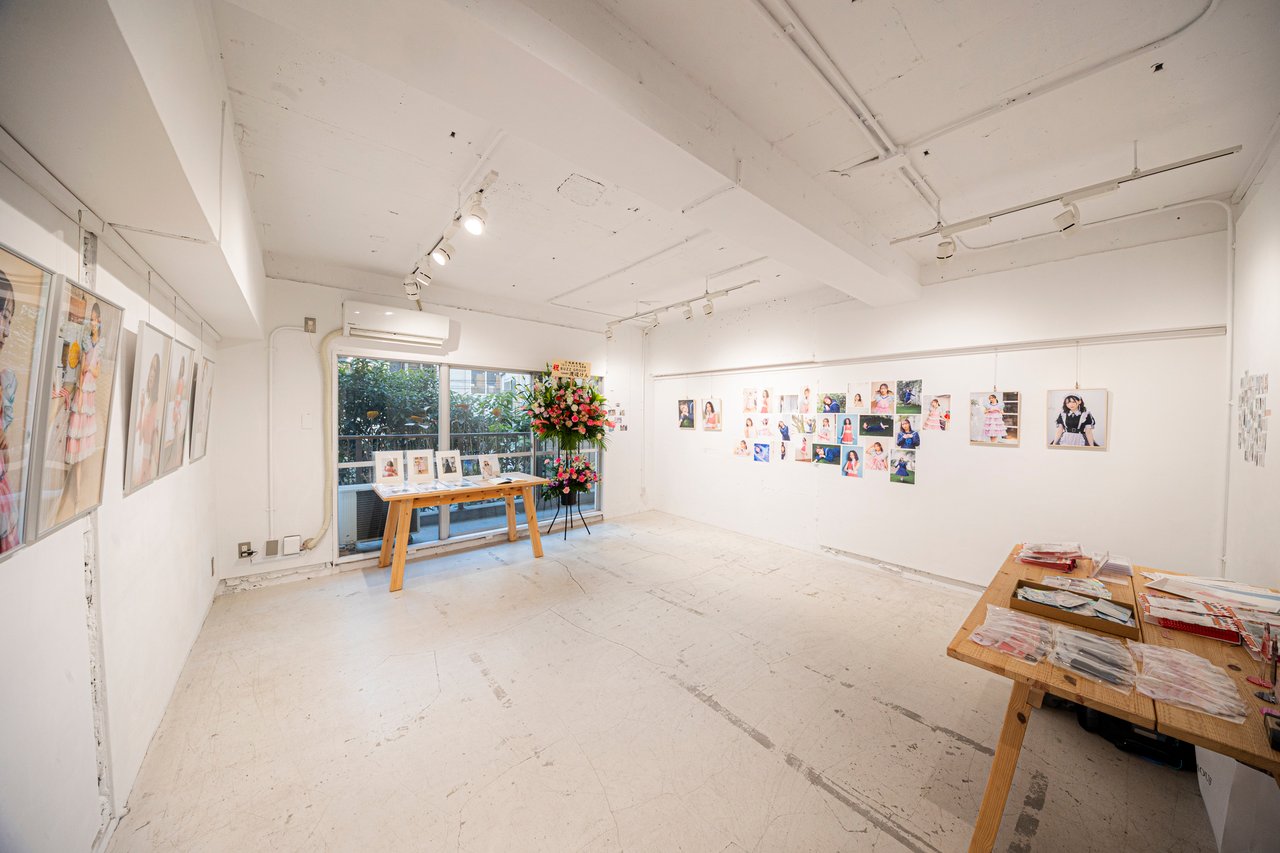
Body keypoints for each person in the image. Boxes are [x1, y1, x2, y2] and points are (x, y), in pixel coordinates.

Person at [61, 302, 104, 512]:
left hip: (90, 396)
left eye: (95, 320)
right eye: (91, 319)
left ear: (99, 321)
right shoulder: (86, 341)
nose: (93, 323)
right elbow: (80, 370)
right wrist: (78, 391)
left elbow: (97, 372)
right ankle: (73, 491)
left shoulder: (100, 344)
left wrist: (90, 369)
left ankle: (78, 492)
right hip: (82, 393)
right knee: (75, 437)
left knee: (85, 439)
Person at [0, 272, 18, 551]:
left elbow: (7, 460)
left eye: (9, 321)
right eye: (3, 316)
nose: (6, 330)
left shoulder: (4, 381)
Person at [130, 353, 163, 488]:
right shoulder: (148, 402)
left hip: (145, 459)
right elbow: (139, 433)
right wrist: (142, 406)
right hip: (142, 456)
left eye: (155, 369)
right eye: (151, 368)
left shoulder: (155, 405)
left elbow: (146, 436)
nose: (151, 374)